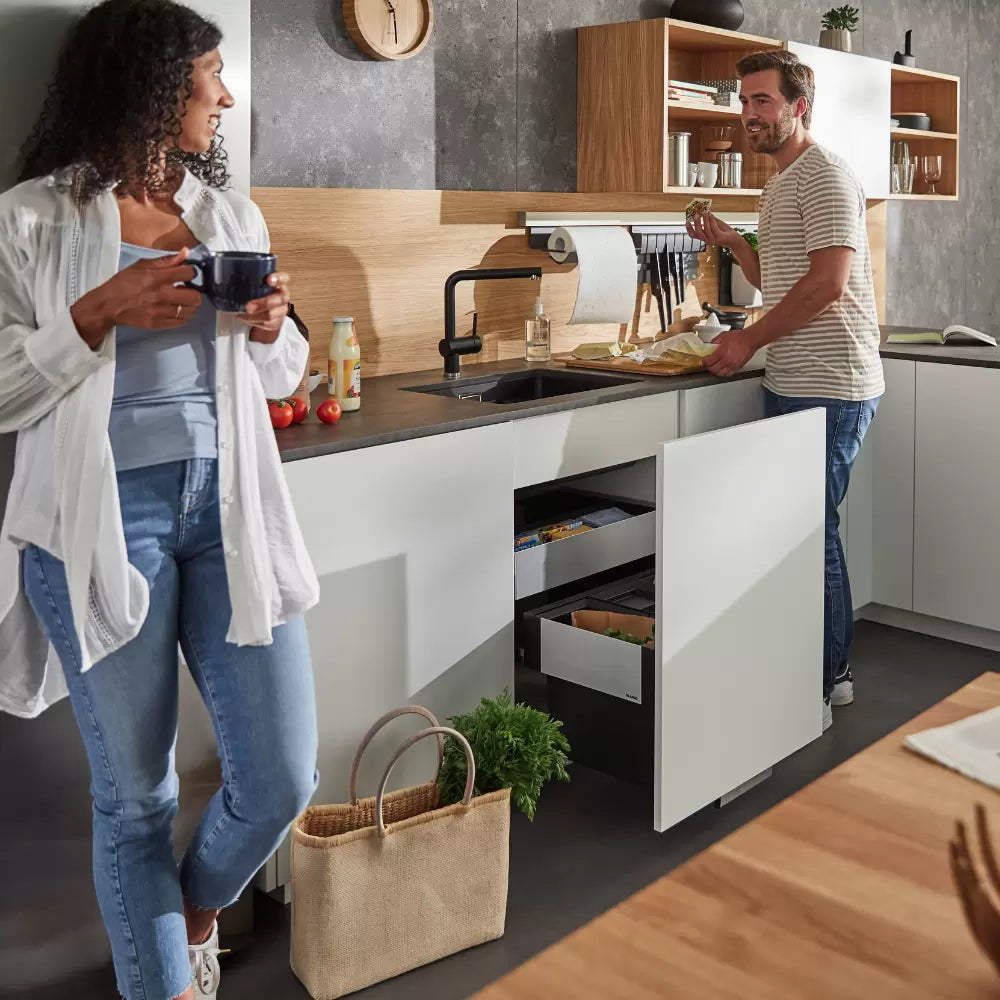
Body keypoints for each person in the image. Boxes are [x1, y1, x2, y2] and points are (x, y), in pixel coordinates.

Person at [0, 1, 321, 997]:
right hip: (99, 521)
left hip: (225, 510)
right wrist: (98, 311)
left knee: (279, 776)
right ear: (150, 85)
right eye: (208, 77)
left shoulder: (227, 213)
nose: (224, 96)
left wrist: (273, 329)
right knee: (133, 799)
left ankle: (187, 913)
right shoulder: (30, 217)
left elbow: (283, 380)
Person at [687, 50, 883, 733]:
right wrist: (730, 240)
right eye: (743, 103)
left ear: (799, 106)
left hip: (832, 383)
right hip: (795, 379)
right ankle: (814, 668)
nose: (748, 115)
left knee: (809, 531)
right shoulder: (780, 185)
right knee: (799, 529)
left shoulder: (826, 176)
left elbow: (828, 285)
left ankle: (829, 675)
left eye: (762, 101)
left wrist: (748, 340)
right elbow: (782, 276)